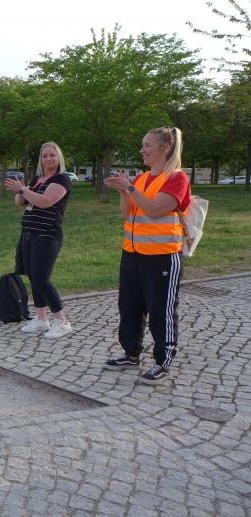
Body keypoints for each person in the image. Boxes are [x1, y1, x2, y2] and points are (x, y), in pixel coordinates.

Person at [104, 127, 191, 384]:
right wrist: (124, 191)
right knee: (129, 306)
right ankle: (131, 353)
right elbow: (127, 213)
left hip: (162, 256)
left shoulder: (177, 178)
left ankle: (162, 361)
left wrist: (129, 188)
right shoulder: (141, 179)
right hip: (132, 253)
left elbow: (154, 209)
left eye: (147, 145)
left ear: (165, 148)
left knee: (161, 310)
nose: (142, 150)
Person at [4, 142, 73, 339]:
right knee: (33, 277)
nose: (48, 159)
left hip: (47, 235)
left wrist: (24, 189)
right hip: (29, 233)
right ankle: (41, 319)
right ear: (40, 160)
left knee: (42, 279)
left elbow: (45, 202)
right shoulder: (37, 179)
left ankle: (63, 322)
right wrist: (20, 191)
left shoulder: (61, 179)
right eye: (44, 156)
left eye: (52, 155)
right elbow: (20, 202)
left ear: (59, 158)